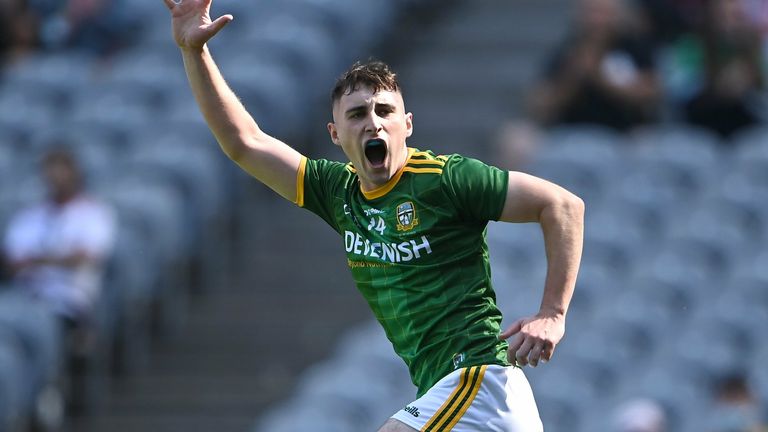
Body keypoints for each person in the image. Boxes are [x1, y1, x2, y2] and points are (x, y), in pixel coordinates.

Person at [162, 0, 584, 430]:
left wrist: (552, 313)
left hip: (479, 382)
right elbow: (244, 143)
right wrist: (193, 52)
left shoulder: (445, 180)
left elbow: (564, 205)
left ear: (408, 124)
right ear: (335, 133)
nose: (374, 123)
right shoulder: (337, 191)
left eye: (385, 111)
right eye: (358, 114)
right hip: (452, 396)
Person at [3, 147, 116, 343]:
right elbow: (12, 260)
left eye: (61, 171)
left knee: (48, 323)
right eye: (50, 171)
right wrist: (57, 259)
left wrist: (36, 260)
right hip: (24, 295)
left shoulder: (94, 213)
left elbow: (85, 258)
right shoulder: (29, 216)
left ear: (75, 173)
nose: (55, 178)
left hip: (68, 298)